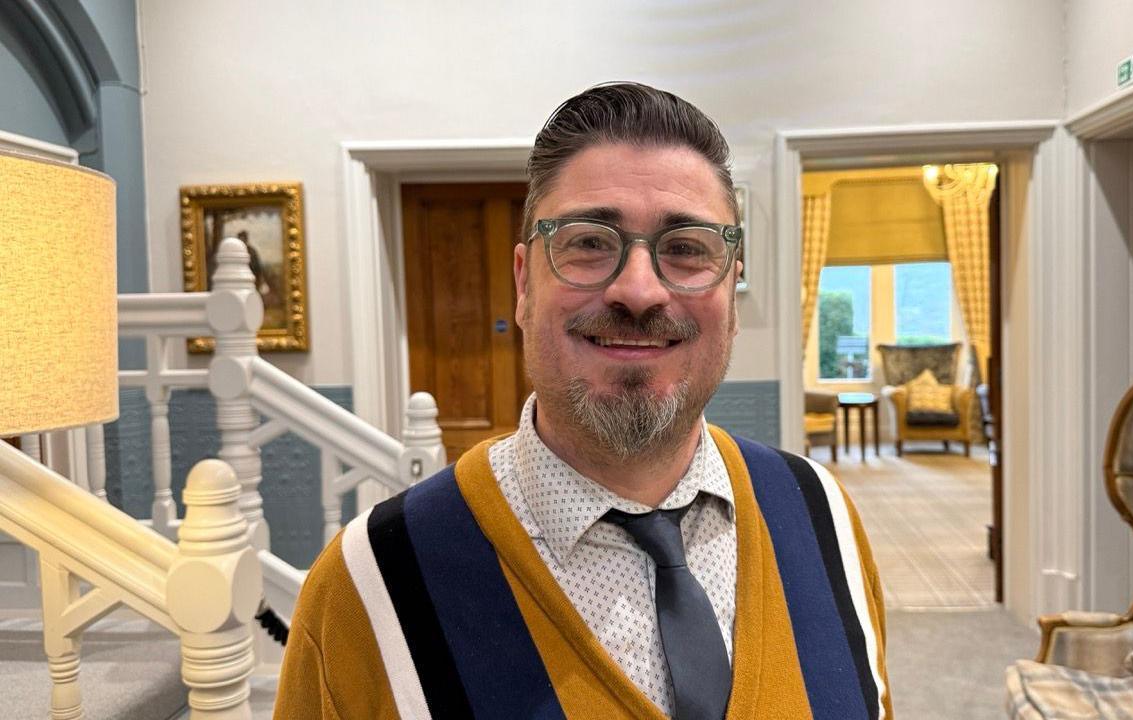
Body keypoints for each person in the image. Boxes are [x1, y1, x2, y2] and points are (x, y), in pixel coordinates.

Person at [275, 82, 892, 720]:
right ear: (523, 283)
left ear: (732, 289)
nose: (639, 291)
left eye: (686, 248)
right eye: (590, 242)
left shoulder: (823, 518)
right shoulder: (370, 587)